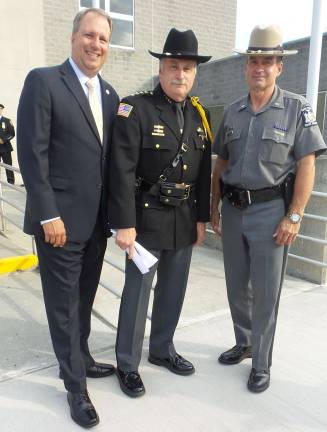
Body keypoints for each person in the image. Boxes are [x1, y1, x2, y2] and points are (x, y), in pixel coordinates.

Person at [17, 8, 119, 428]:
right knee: (63, 306)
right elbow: (31, 153)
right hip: (57, 223)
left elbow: (109, 160)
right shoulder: (44, 81)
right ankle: (75, 388)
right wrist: (47, 214)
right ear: (73, 36)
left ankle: (81, 357)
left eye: (104, 39)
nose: (96, 44)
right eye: (89, 35)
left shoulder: (111, 94)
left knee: (84, 299)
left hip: (96, 222)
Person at [211, 25, 326, 393]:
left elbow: (307, 164)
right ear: (246, 66)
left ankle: (261, 362)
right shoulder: (232, 112)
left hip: (271, 213)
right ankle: (244, 342)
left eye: (268, 61)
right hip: (232, 211)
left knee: (265, 292)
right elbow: (220, 164)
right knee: (235, 286)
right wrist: (212, 206)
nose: (259, 67)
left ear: (280, 67)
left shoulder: (296, 109)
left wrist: (295, 215)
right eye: (254, 61)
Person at [108, 28, 212, 398]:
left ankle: (162, 349)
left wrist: (202, 220)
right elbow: (120, 169)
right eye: (173, 66)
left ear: (195, 72)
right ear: (161, 68)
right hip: (146, 219)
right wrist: (124, 223)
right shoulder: (135, 109)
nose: (180, 74)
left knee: (173, 290)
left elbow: (202, 174)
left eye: (186, 67)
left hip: (184, 218)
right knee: (137, 294)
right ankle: (127, 363)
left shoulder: (199, 115)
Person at [0, 104, 15, 184]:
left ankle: (11, 182)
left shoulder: (7, 121)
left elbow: (12, 134)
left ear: (2, 110)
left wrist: (3, 140)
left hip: (5, 148)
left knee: (8, 166)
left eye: (0, 109)